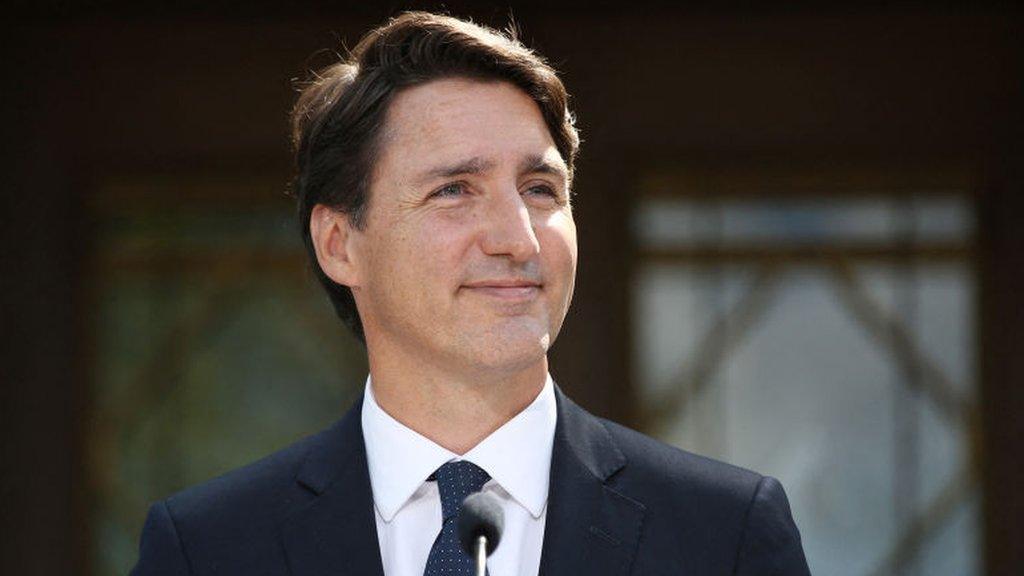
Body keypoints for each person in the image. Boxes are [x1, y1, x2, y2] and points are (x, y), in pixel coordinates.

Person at [131, 11, 810, 576]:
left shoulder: (728, 537)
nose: (518, 239)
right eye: (454, 190)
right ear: (341, 243)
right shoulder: (206, 549)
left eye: (540, 190)